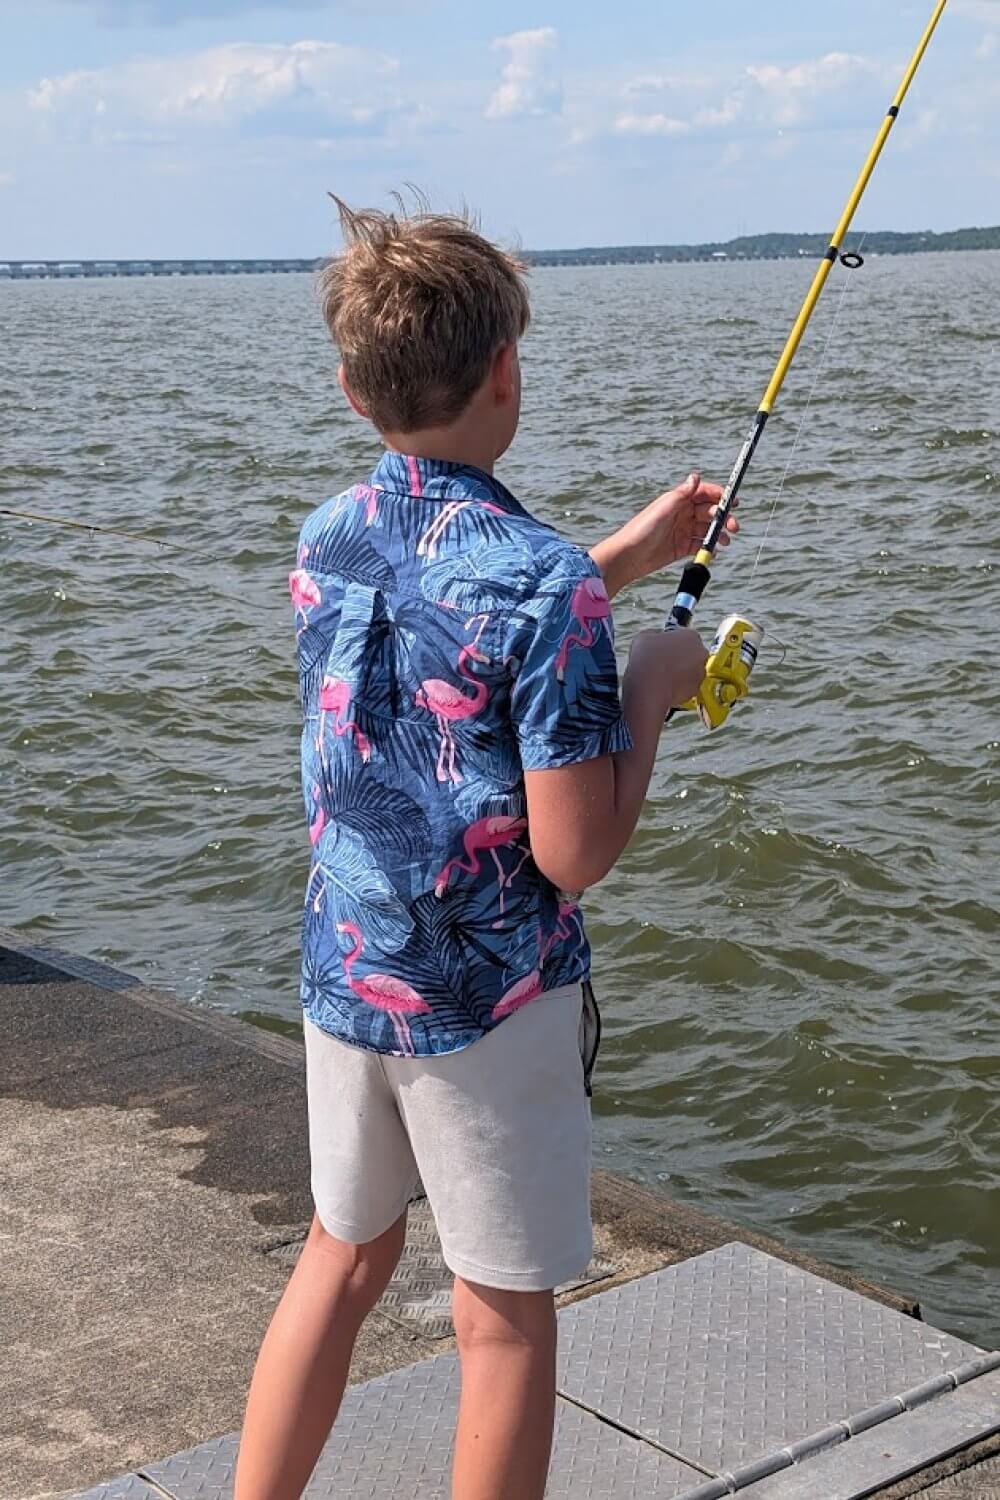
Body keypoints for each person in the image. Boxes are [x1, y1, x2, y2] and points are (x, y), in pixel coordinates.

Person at [235, 197, 737, 1500]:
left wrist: (622, 554)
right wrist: (649, 690)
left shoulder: (327, 538)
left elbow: (448, 623)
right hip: (489, 1007)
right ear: (509, 368)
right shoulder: (545, 591)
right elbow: (573, 856)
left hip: (349, 979)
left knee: (340, 1259)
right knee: (503, 1313)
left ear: (354, 391)